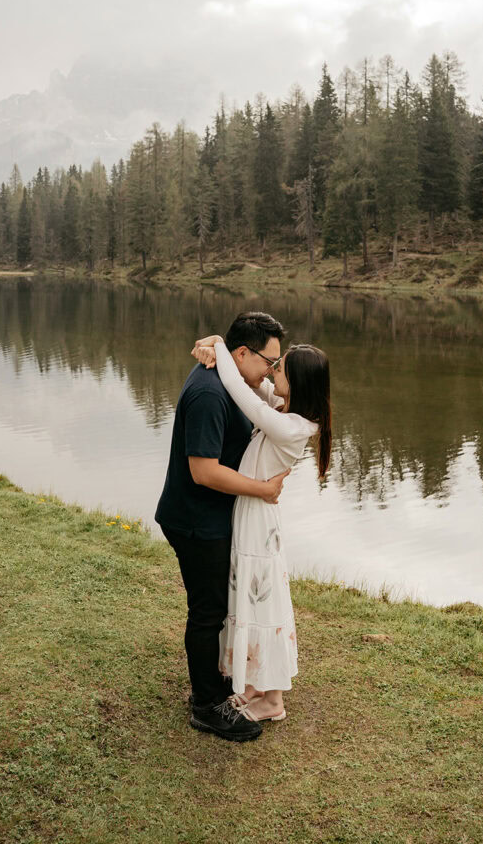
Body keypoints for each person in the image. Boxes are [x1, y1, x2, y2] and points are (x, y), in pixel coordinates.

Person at [155, 311, 289, 743]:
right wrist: (262, 490)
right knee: (207, 612)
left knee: (215, 606)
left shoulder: (233, 378)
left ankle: (219, 684)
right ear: (243, 353)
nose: (271, 370)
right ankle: (206, 706)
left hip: (213, 515)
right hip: (194, 519)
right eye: (269, 362)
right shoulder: (209, 393)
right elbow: (203, 471)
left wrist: (214, 341)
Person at [191, 332, 331, 724]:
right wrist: (216, 345)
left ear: (297, 383)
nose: (271, 372)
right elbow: (255, 385)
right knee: (248, 597)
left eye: (279, 368)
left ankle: (272, 701)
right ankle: (253, 686)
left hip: (258, 520)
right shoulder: (286, 411)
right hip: (250, 513)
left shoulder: (292, 426)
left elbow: (242, 391)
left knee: (260, 600)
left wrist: (220, 345)